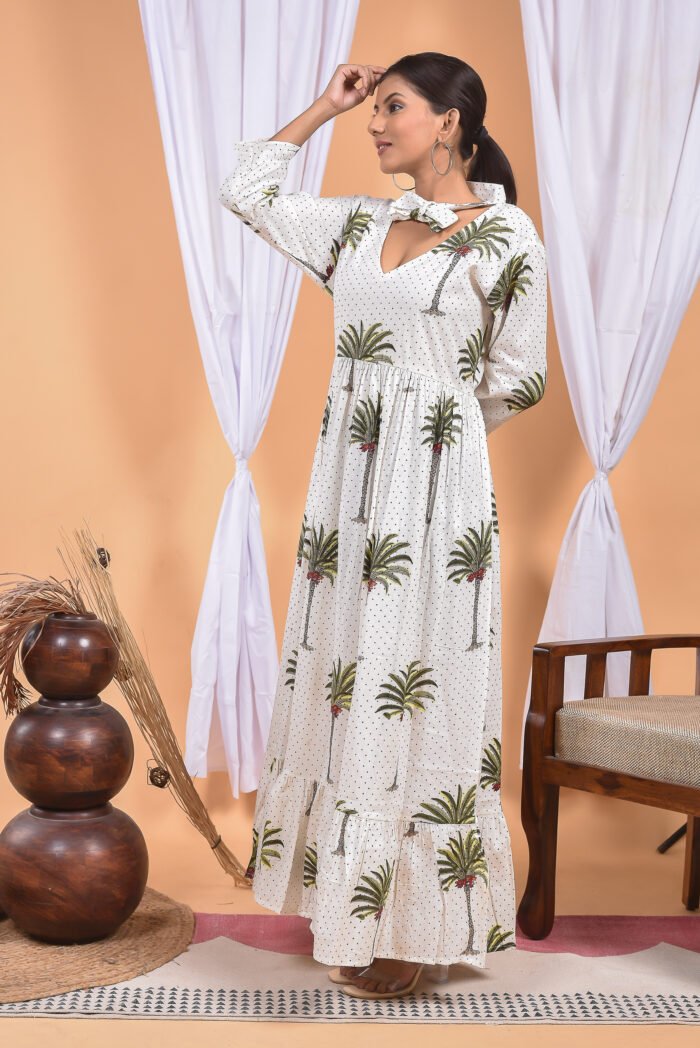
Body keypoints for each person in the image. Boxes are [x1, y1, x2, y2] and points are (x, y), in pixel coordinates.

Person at [218, 52, 548, 1000]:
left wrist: (435, 440)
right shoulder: (359, 226)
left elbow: (520, 375)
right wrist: (325, 102)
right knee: (346, 675)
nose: (377, 123)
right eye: (374, 107)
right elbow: (247, 187)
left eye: (392, 108)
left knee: (423, 683)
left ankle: (418, 925)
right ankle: (353, 909)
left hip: (436, 505)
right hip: (347, 501)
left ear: (450, 123)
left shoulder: (505, 237)